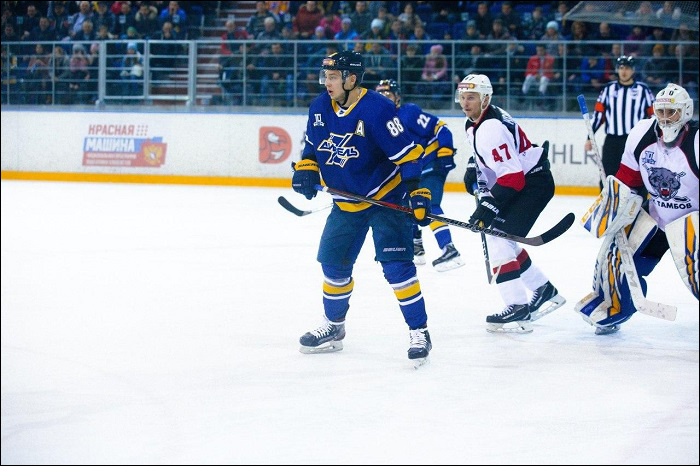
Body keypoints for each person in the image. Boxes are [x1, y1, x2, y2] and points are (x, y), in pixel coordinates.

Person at [291, 51, 432, 365]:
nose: (325, 82)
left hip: (386, 199)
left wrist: (417, 193)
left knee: (397, 269)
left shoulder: (377, 109)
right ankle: (334, 327)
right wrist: (306, 168)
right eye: (324, 76)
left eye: (332, 76)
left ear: (350, 79)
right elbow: (312, 147)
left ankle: (419, 330)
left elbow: (408, 157)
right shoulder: (318, 107)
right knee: (334, 267)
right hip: (346, 202)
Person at [576, 83, 698, 335]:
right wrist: (613, 208)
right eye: (660, 112)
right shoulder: (642, 134)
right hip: (657, 219)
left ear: (685, 112)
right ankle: (616, 307)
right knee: (615, 259)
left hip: (693, 220)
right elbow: (627, 179)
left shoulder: (697, 141)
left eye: (671, 112)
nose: (664, 119)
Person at [457, 74, 565, 333]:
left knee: (496, 237)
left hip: (531, 184)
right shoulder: (479, 121)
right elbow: (497, 158)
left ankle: (517, 306)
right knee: (501, 237)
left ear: (485, 98)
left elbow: (513, 177)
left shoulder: (490, 127)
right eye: (462, 97)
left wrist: (488, 205)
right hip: (526, 179)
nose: (465, 103)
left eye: (471, 97)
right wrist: (475, 167)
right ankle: (543, 289)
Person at [375, 79, 464, 271]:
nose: (383, 98)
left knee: (429, 205)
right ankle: (417, 248)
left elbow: (440, 127)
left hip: (431, 162)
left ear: (397, 97)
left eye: (387, 94)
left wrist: (446, 150)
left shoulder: (408, 113)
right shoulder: (379, 122)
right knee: (408, 207)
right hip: (411, 170)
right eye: (379, 95)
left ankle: (450, 250)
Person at [585, 56, 655, 189]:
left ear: (633, 70)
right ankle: (606, 205)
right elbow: (599, 115)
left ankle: (638, 206)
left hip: (635, 141)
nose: (624, 71)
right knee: (607, 176)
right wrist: (589, 137)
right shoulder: (608, 89)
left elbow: (653, 116)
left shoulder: (643, 90)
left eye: (627, 68)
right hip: (612, 141)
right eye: (621, 68)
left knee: (637, 176)